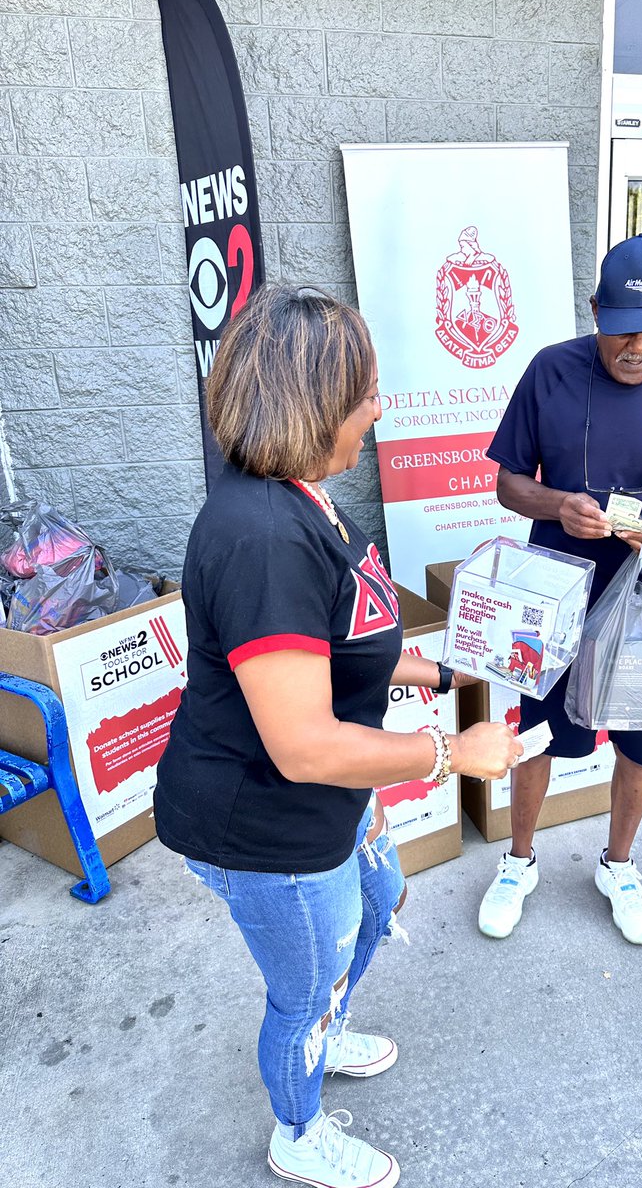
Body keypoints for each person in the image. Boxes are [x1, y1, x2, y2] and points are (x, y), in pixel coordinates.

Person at [154, 286, 522, 1188]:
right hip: (265, 822)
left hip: (329, 804)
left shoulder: (305, 499)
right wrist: (451, 753)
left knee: (379, 896)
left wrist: (446, 674)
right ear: (316, 404)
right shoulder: (261, 538)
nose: (379, 407)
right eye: (366, 393)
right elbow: (305, 745)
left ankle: (330, 1016)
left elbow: (336, 648)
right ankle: (299, 1126)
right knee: (302, 989)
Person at [477, 234, 642, 945]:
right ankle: (518, 860)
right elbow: (507, 482)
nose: (638, 347)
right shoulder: (550, 372)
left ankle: (617, 866)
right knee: (537, 732)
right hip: (558, 590)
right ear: (595, 311)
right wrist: (557, 505)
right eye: (623, 329)